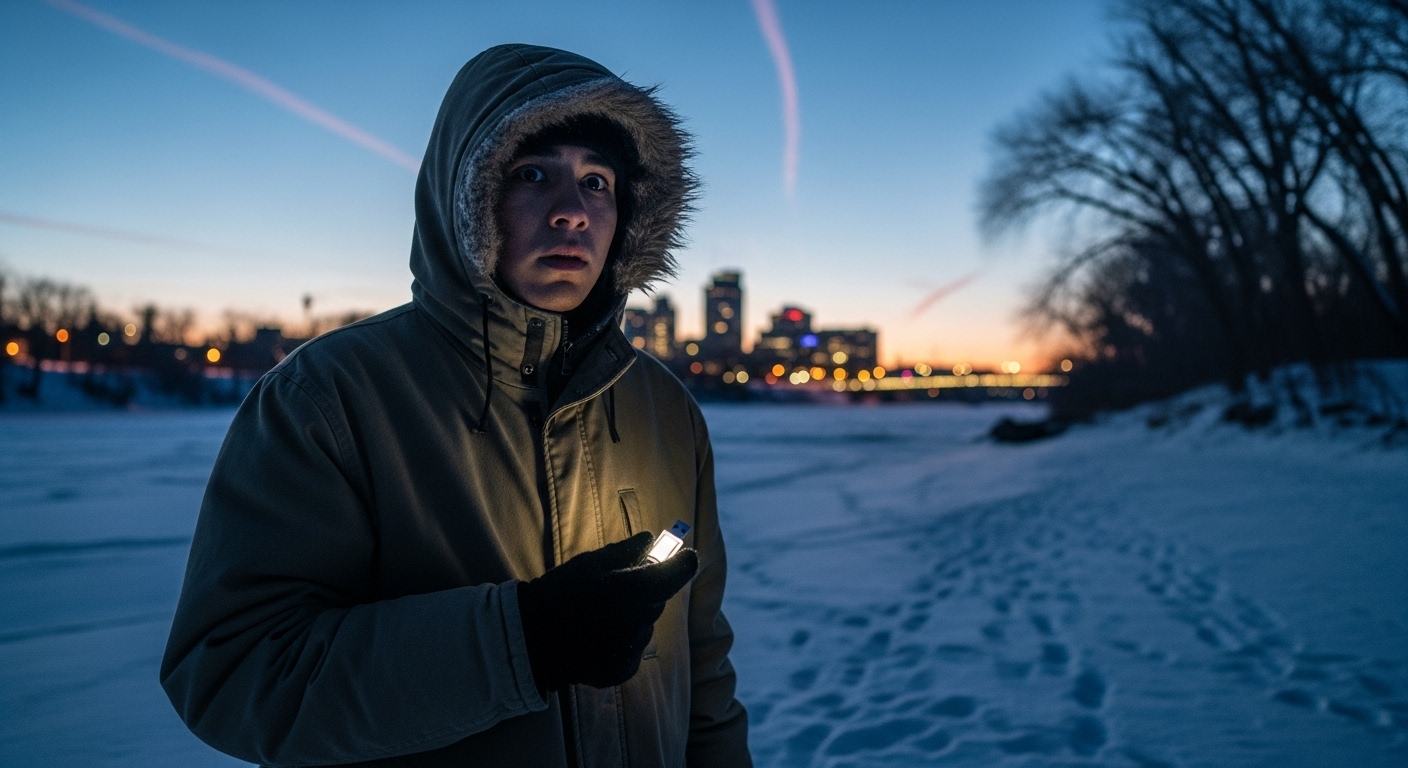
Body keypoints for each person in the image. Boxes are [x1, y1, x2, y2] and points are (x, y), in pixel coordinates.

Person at [161, 44, 751, 767]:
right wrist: (524, 642)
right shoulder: (331, 397)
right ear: (467, 199)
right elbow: (235, 676)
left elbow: (703, 663)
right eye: (533, 174)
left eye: (597, 182)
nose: (572, 212)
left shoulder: (664, 409)